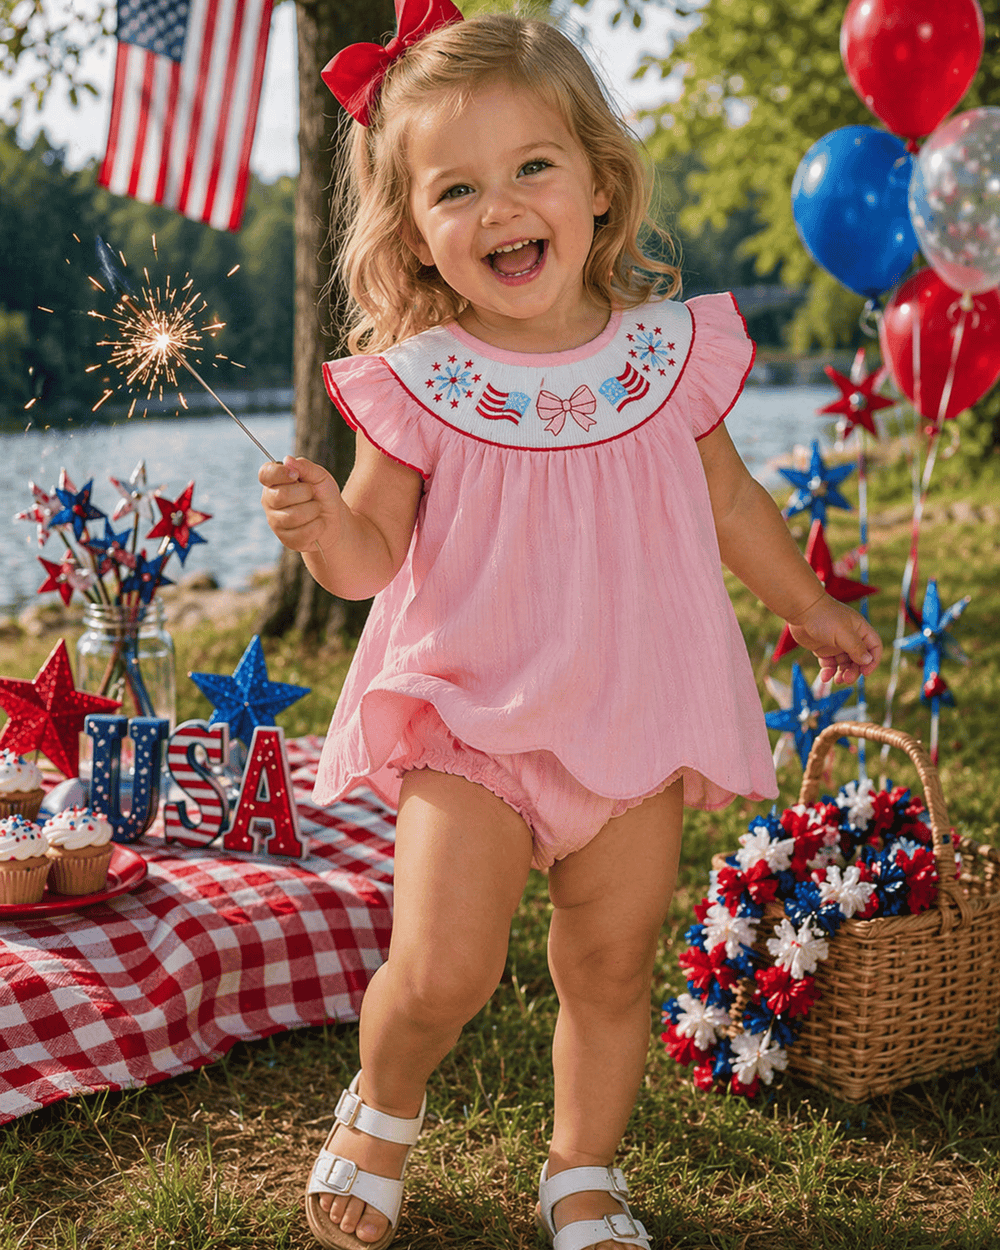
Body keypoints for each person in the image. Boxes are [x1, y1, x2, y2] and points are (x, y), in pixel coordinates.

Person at [259, 5, 883, 1249]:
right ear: (419, 234)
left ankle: (582, 1168)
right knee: (444, 969)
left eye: (530, 167)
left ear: (598, 183)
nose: (499, 207)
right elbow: (370, 560)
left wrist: (804, 600)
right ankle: (380, 1107)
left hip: (633, 712)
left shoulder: (663, 356)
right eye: (455, 188)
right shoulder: (429, 378)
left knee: (607, 965)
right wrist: (327, 525)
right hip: (471, 714)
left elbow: (727, 499)